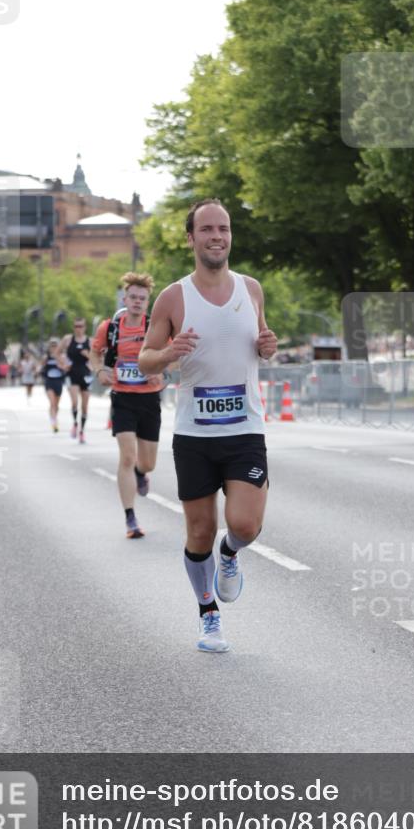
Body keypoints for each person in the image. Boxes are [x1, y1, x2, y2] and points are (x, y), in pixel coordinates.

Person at [139, 199, 278, 653]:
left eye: (224, 228)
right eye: (207, 229)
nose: (217, 236)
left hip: (245, 429)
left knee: (245, 525)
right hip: (195, 435)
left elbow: (260, 341)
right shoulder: (173, 297)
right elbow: (145, 360)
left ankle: (230, 553)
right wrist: (169, 352)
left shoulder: (251, 289)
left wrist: (268, 346)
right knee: (199, 532)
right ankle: (208, 615)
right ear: (191, 238)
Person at [91, 272, 165, 539]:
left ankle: (141, 473)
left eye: (141, 298)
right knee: (127, 456)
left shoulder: (155, 327)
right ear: (125, 299)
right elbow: (95, 353)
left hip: (149, 399)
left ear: (148, 302)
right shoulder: (110, 327)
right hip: (122, 398)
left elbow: (171, 355)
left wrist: (160, 369)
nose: (136, 302)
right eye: (132, 297)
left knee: (147, 463)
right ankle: (130, 518)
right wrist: (100, 371)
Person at [56, 318, 92, 443]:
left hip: (85, 374)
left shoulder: (90, 341)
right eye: (76, 326)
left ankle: (82, 431)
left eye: (81, 326)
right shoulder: (67, 339)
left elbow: (98, 357)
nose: (78, 328)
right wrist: (63, 364)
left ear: (85, 327)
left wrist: (88, 355)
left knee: (85, 406)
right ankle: (75, 424)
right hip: (72, 373)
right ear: (73, 327)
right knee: (75, 402)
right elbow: (57, 353)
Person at [41, 337, 65, 432]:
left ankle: (54, 417)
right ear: (49, 347)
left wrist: (58, 360)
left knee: (56, 404)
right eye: (52, 346)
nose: (54, 347)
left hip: (58, 381)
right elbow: (40, 366)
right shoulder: (46, 357)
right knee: (52, 402)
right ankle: (53, 422)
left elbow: (65, 367)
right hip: (49, 381)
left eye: (55, 345)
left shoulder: (61, 356)